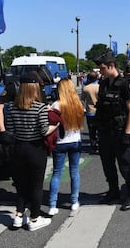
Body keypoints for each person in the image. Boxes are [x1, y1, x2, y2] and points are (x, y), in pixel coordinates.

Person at [5, 72, 58, 231]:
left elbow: (10, 130)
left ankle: (19, 215)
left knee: (21, 185)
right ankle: (34, 218)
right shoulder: (39, 108)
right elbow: (43, 130)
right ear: (34, 88)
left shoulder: (12, 108)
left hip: (18, 148)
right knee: (36, 185)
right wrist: (56, 125)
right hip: (35, 149)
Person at [94, 51, 130, 211]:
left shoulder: (125, 83)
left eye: (103, 68)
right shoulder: (104, 84)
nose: (100, 71)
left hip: (120, 131)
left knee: (125, 164)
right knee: (108, 164)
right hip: (105, 130)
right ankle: (113, 190)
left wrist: (126, 133)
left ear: (111, 66)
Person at [48, 78, 84, 216]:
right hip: (75, 140)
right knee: (74, 172)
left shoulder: (56, 105)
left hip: (61, 142)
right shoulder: (77, 104)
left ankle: (52, 204)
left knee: (57, 173)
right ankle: (74, 201)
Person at [81, 71, 100, 154]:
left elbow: (82, 100)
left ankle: (93, 147)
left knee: (92, 131)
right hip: (99, 111)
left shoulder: (86, 88)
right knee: (100, 130)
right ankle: (101, 145)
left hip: (90, 111)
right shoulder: (100, 87)